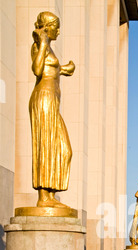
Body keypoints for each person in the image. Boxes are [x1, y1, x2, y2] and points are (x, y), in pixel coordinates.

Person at [29, 12, 76, 208]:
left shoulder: (48, 49)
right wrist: (43, 42)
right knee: (46, 145)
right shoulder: (40, 45)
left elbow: (51, 69)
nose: (58, 31)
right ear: (47, 28)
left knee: (64, 150)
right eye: (56, 27)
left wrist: (65, 69)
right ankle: (43, 197)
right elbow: (38, 69)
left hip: (52, 102)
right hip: (44, 99)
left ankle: (50, 195)